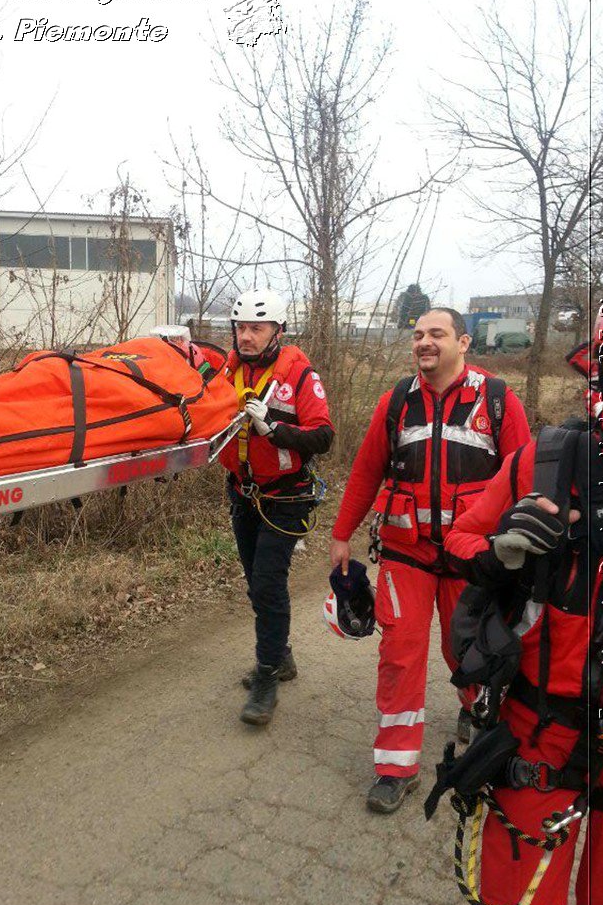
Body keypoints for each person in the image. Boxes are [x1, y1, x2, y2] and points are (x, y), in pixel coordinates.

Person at [443, 283, 603, 905]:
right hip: (539, 736)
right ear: (602, 372)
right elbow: (458, 540)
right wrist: (503, 551)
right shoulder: (546, 463)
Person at [330, 308, 531, 813]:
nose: (424, 342)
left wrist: (526, 546)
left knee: (467, 650)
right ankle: (396, 767)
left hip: (472, 559)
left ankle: (478, 720)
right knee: (401, 652)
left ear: (463, 342)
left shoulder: (498, 400)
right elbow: (365, 473)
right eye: (418, 335)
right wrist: (340, 535)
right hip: (407, 554)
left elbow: (526, 477)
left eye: (436, 334)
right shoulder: (395, 402)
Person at [219, 289, 334, 726]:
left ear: (277, 331)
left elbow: (323, 436)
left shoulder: (300, 375)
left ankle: (267, 675)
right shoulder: (227, 372)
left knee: (267, 583)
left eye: (256, 328)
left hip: (288, 496)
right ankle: (281, 657)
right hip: (243, 493)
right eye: (240, 327)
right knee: (256, 583)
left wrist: (275, 428)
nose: (245, 337)